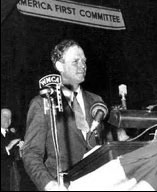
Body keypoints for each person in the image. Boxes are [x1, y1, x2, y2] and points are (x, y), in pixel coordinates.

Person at [21, 39, 105, 191]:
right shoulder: (43, 102)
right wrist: (50, 185)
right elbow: (30, 153)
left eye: (84, 61)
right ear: (60, 66)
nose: (83, 66)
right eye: (75, 61)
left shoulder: (96, 101)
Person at [1, 108, 24, 191]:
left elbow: (18, 158)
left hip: (13, 178)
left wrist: (21, 150)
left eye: (9, 117)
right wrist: (8, 147)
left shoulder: (14, 134)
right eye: (4, 116)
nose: (8, 119)